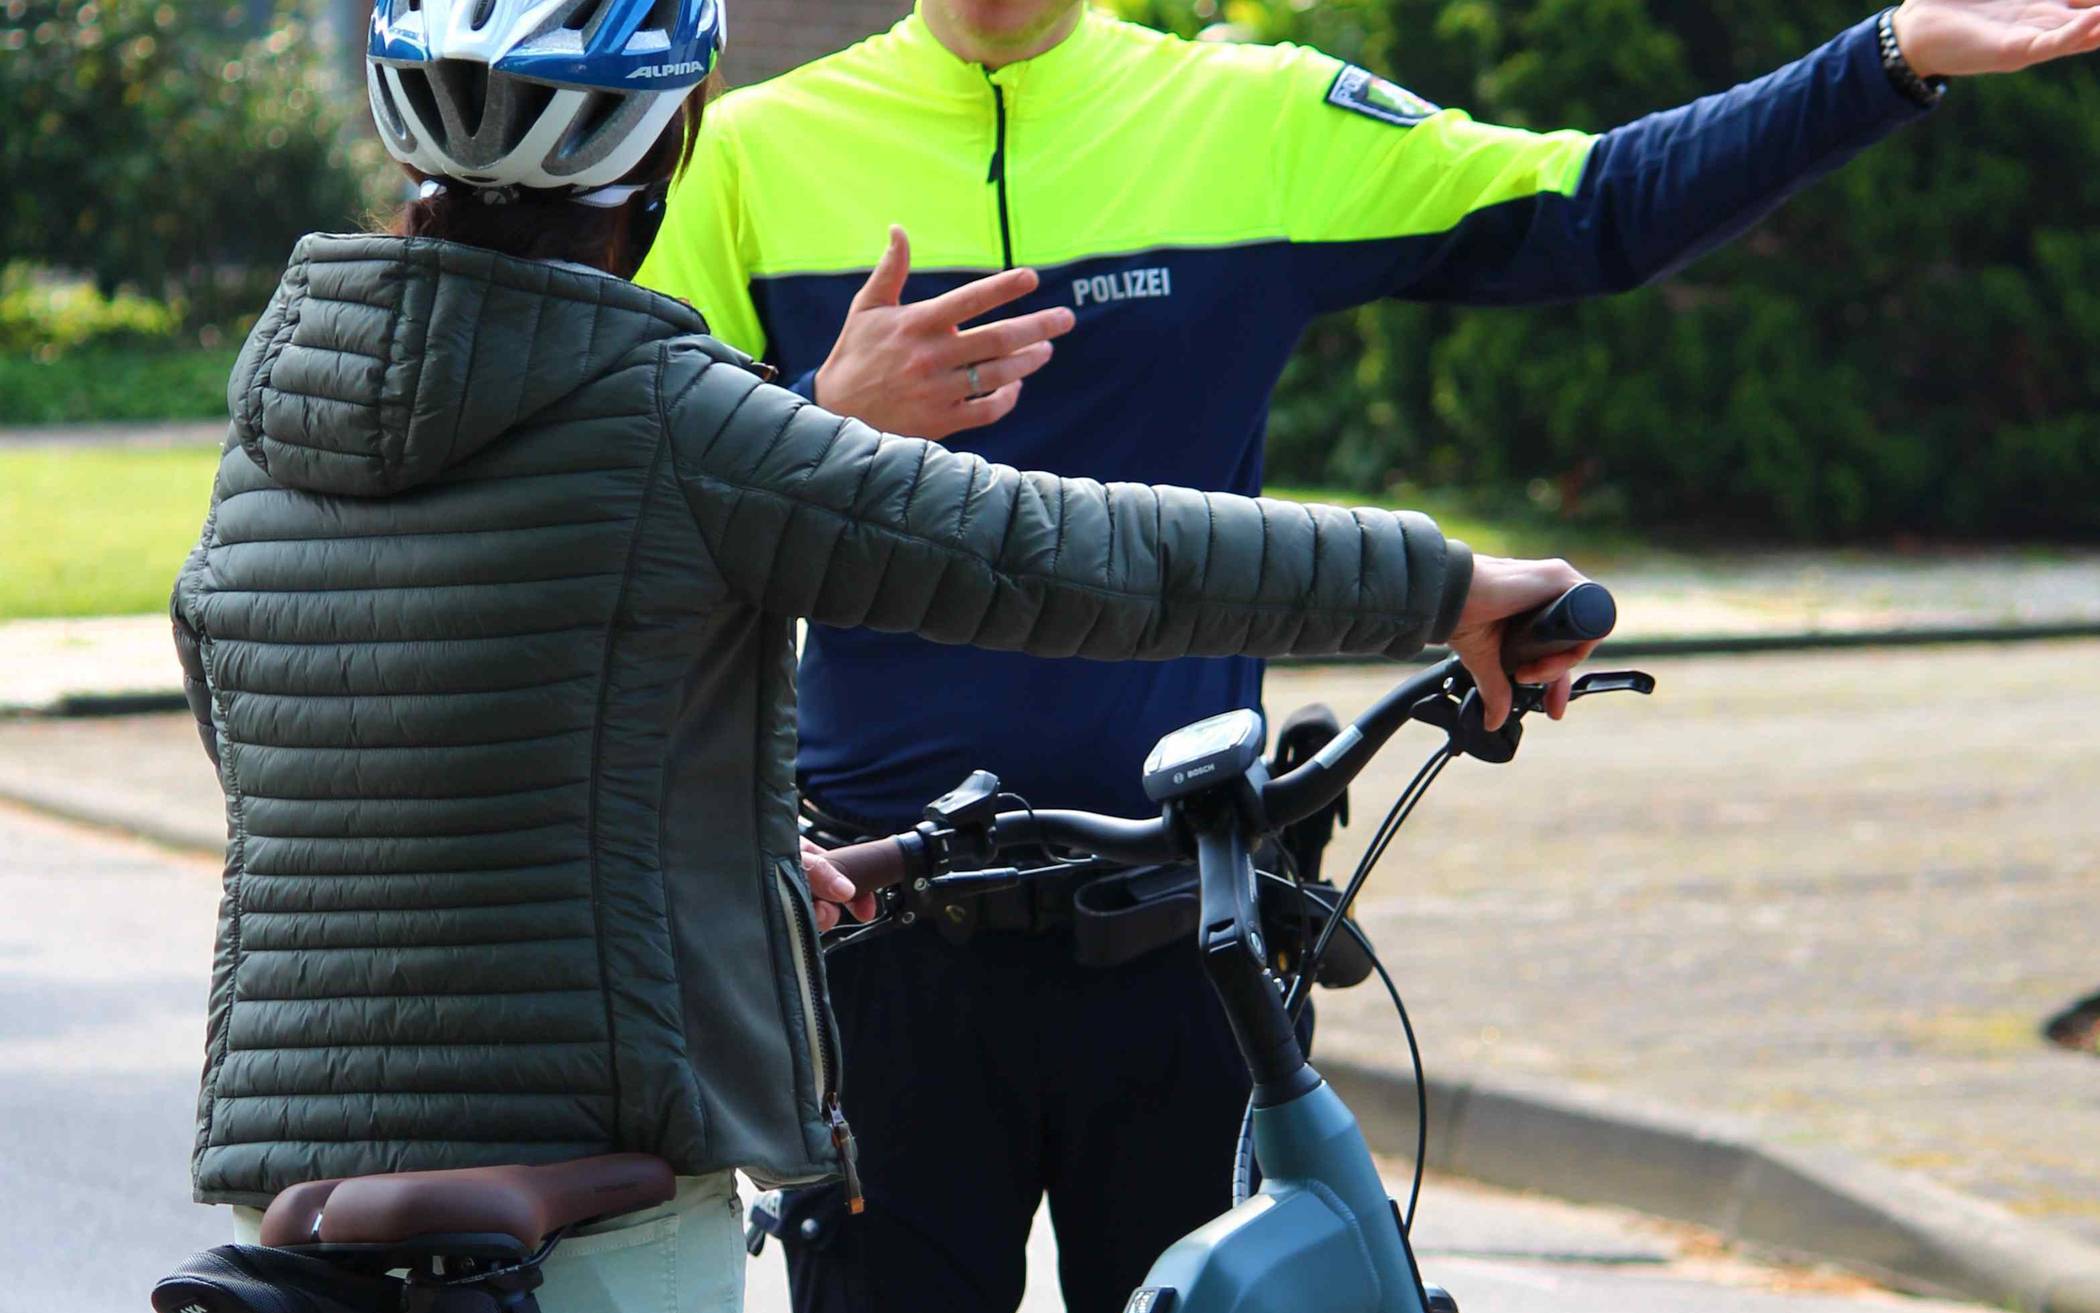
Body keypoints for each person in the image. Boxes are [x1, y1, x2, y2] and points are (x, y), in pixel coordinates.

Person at [635, 2, 2100, 1309]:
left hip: (1181, 929)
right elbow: (630, 501)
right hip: (878, 936)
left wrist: (1887, 54)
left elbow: (1593, 208)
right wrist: (819, 413)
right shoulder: (751, 155)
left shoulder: (1247, 115)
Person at [164, 0, 1602, 1307]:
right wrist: (1446, 579)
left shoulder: (271, 432)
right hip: (581, 1207)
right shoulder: (669, 418)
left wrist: (705, 861)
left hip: (293, 1205)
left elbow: (323, 744)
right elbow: (1068, 559)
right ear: (676, 129)